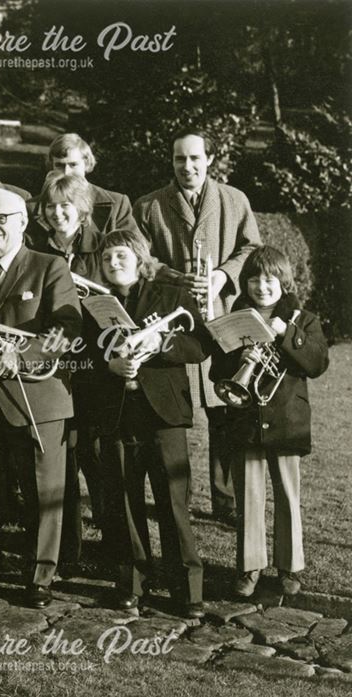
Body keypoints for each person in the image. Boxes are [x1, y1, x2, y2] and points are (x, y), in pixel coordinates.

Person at [0, 187, 81, 609]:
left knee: (45, 493)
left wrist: (20, 354)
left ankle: (41, 576)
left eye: (3, 218)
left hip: (37, 398)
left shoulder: (50, 267)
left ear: (23, 222)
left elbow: (66, 328)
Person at [134, 128, 261, 523]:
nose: (187, 166)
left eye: (194, 158)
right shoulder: (149, 205)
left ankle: (226, 503)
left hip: (221, 317)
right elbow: (139, 258)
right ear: (170, 161)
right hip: (173, 326)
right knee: (171, 412)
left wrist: (223, 275)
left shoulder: (234, 199)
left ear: (209, 159)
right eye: (179, 159)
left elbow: (252, 248)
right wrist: (173, 276)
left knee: (223, 410)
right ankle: (177, 499)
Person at [85, 229, 209, 618]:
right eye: (106, 259)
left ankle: (187, 592)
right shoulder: (95, 304)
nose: (113, 263)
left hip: (163, 415)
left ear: (140, 259)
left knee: (172, 502)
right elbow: (84, 356)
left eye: (120, 256)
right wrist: (109, 365)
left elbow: (201, 345)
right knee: (123, 500)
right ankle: (132, 584)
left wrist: (160, 345)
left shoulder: (171, 296)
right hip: (117, 412)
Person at [209, 246, 329, 598]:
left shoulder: (302, 319)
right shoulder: (236, 318)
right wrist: (237, 360)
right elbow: (218, 370)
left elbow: (318, 363)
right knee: (249, 498)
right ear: (245, 283)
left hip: (287, 421)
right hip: (245, 420)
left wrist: (285, 335)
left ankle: (289, 566)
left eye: (270, 279)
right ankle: (250, 567)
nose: (262, 286)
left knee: (288, 497)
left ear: (284, 281)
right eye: (254, 279)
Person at [25, 172, 108, 566]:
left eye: (66, 206)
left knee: (96, 458)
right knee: (64, 461)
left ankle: (112, 549)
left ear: (83, 210)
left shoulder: (101, 248)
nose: (58, 213)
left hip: (93, 366)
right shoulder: (34, 249)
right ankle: (67, 551)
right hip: (53, 367)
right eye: (51, 206)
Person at [32, 133, 139, 235]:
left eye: (73, 165)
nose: (66, 172)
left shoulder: (117, 204)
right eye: (59, 165)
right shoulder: (33, 207)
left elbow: (135, 247)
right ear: (51, 166)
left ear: (86, 163)